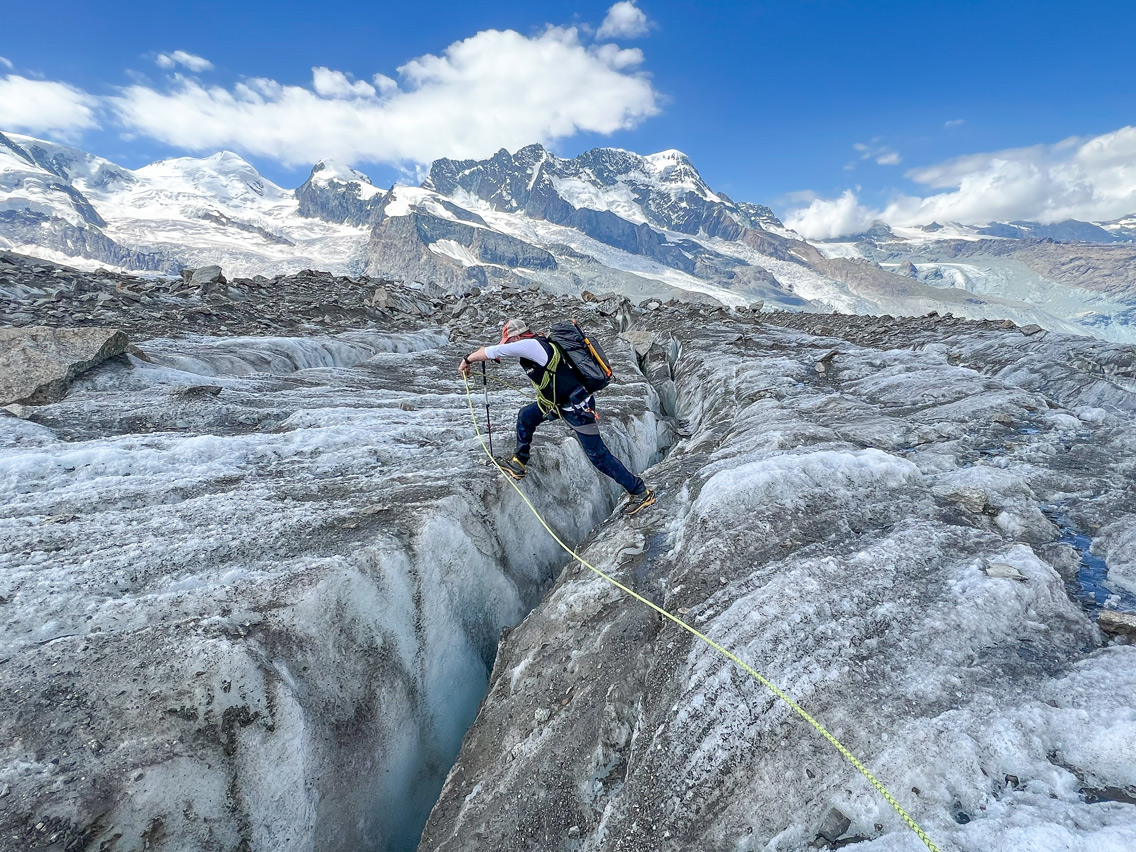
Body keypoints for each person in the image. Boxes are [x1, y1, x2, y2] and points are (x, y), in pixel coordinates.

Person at [459, 318, 656, 516]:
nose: (510, 346)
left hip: (577, 408)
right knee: (526, 416)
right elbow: (492, 350)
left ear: (517, 336)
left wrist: (467, 360)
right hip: (558, 404)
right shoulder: (536, 343)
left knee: (599, 457)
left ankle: (640, 492)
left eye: (509, 341)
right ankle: (518, 462)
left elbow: (493, 352)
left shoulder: (531, 345)